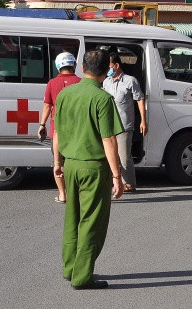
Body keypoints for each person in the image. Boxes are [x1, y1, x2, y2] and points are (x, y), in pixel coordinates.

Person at [52, 49, 124, 290]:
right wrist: (117, 176)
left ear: (82, 67)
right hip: (93, 167)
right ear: (108, 70)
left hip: (71, 164)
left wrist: (58, 163)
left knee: (72, 218)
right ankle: (82, 276)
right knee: (91, 222)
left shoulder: (64, 94)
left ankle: (69, 267)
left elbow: (58, 133)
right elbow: (109, 140)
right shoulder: (102, 98)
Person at [39, 52, 81, 204]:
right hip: (77, 132)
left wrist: (42, 125)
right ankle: (76, 195)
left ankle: (62, 195)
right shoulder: (80, 82)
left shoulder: (51, 83)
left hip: (57, 132)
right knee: (74, 163)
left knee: (58, 163)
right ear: (74, 65)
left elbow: (47, 105)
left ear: (58, 66)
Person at [102, 52, 147, 192]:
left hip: (124, 125)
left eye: (109, 66)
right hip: (108, 125)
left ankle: (129, 183)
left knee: (124, 157)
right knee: (110, 155)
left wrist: (143, 121)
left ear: (116, 65)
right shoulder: (106, 81)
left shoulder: (130, 80)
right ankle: (113, 182)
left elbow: (139, 100)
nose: (107, 69)